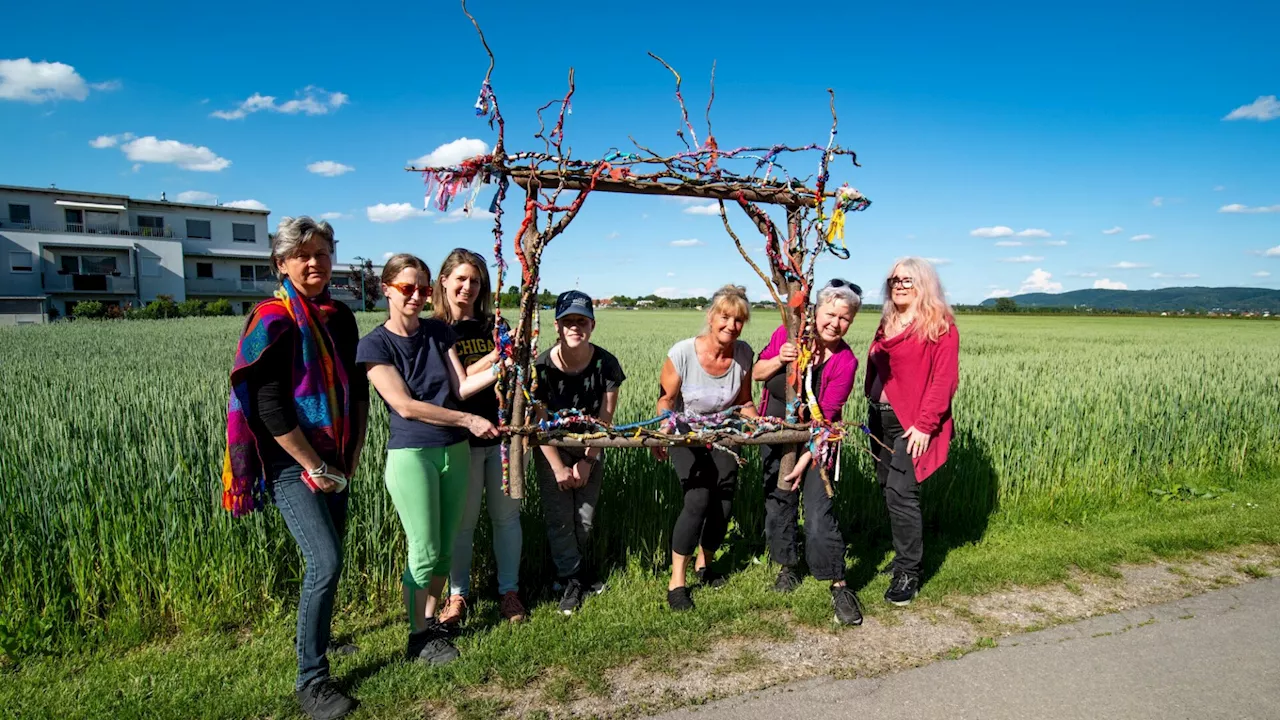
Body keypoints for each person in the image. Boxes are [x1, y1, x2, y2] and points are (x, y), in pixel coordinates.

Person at [222, 216, 368, 720]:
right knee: (324, 561)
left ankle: (323, 640)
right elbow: (269, 406)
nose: (314, 263)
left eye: (323, 253)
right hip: (291, 464)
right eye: (302, 254)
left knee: (334, 557)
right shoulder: (273, 320)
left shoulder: (341, 317)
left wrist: (349, 456)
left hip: (336, 456)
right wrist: (314, 465)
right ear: (281, 263)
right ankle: (312, 680)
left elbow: (357, 388)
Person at [356, 253, 504, 666]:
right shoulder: (375, 344)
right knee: (423, 549)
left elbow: (461, 385)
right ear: (385, 289)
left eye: (423, 289)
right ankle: (416, 636)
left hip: (453, 451)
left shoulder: (439, 332)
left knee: (443, 549)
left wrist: (505, 363)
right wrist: (467, 420)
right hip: (414, 453)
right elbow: (404, 406)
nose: (417, 296)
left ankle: (428, 623)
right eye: (408, 288)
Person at [753, 279, 865, 625]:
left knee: (819, 514)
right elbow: (757, 374)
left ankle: (838, 582)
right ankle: (788, 566)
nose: (835, 323)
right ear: (816, 312)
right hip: (774, 433)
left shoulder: (846, 361)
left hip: (819, 442)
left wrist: (805, 459)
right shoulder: (787, 336)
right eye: (831, 314)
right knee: (778, 503)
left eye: (845, 318)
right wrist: (779, 359)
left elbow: (827, 418)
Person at [432, 248, 528, 627]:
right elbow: (458, 384)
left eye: (475, 281)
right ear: (444, 281)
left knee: (507, 517)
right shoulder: (436, 330)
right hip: (461, 441)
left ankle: (509, 591)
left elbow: (515, 371)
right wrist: (497, 357)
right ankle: (457, 597)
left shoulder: (494, 325)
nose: (468, 287)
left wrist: (509, 348)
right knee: (463, 523)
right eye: (461, 279)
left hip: (502, 438)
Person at [654, 284, 757, 612]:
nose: (731, 325)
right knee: (698, 499)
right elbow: (665, 400)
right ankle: (677, 583)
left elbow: (745, 401)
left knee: (724, 502)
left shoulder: (743, 355)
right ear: (712, 317)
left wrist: (757, 423)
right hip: (686, 435)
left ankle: (704, 565)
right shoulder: (683, 353)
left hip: (724, 435)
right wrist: (664, 429)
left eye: (738, 320)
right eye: (725, 317)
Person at [865, 257, 960, 606]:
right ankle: (903, 556)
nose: (900, 285)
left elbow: (944, 379)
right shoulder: (888, 320)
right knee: (887, 488)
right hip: (880, 418)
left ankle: (909, 572)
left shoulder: (939, 324)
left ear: (924, 283)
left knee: (902, 492)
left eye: (908, 280)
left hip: (912, 425)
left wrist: (924, 425)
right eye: (894, 280)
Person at [532, 290, 626, 615]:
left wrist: (588, 460)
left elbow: (605, 419)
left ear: (592, 325)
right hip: (551, 451)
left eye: (581, 321)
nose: (575, 327)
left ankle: (569, 576)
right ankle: (572, 583)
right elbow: (539, 423)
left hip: (591, 447)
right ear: (557, 326)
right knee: (560, 520)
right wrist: (558, 467)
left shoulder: (607, 365)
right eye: (568, 321)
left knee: (583, 519)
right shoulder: (540, 368)